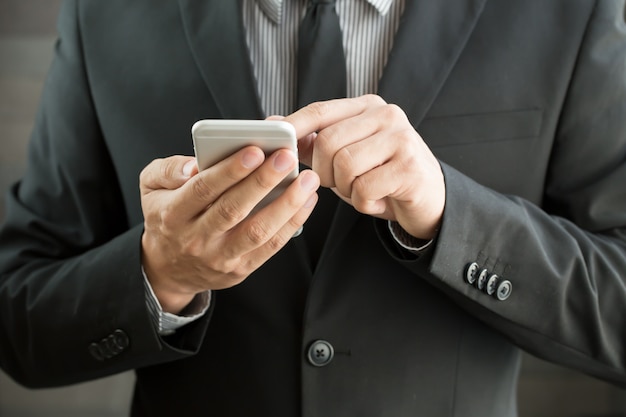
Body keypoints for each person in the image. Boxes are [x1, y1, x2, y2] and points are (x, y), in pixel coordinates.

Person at [1, 0, 625, 416]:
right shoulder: (107, 15)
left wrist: (450, 216)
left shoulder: (568, 13)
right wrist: (160, 273)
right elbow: (17, 316)